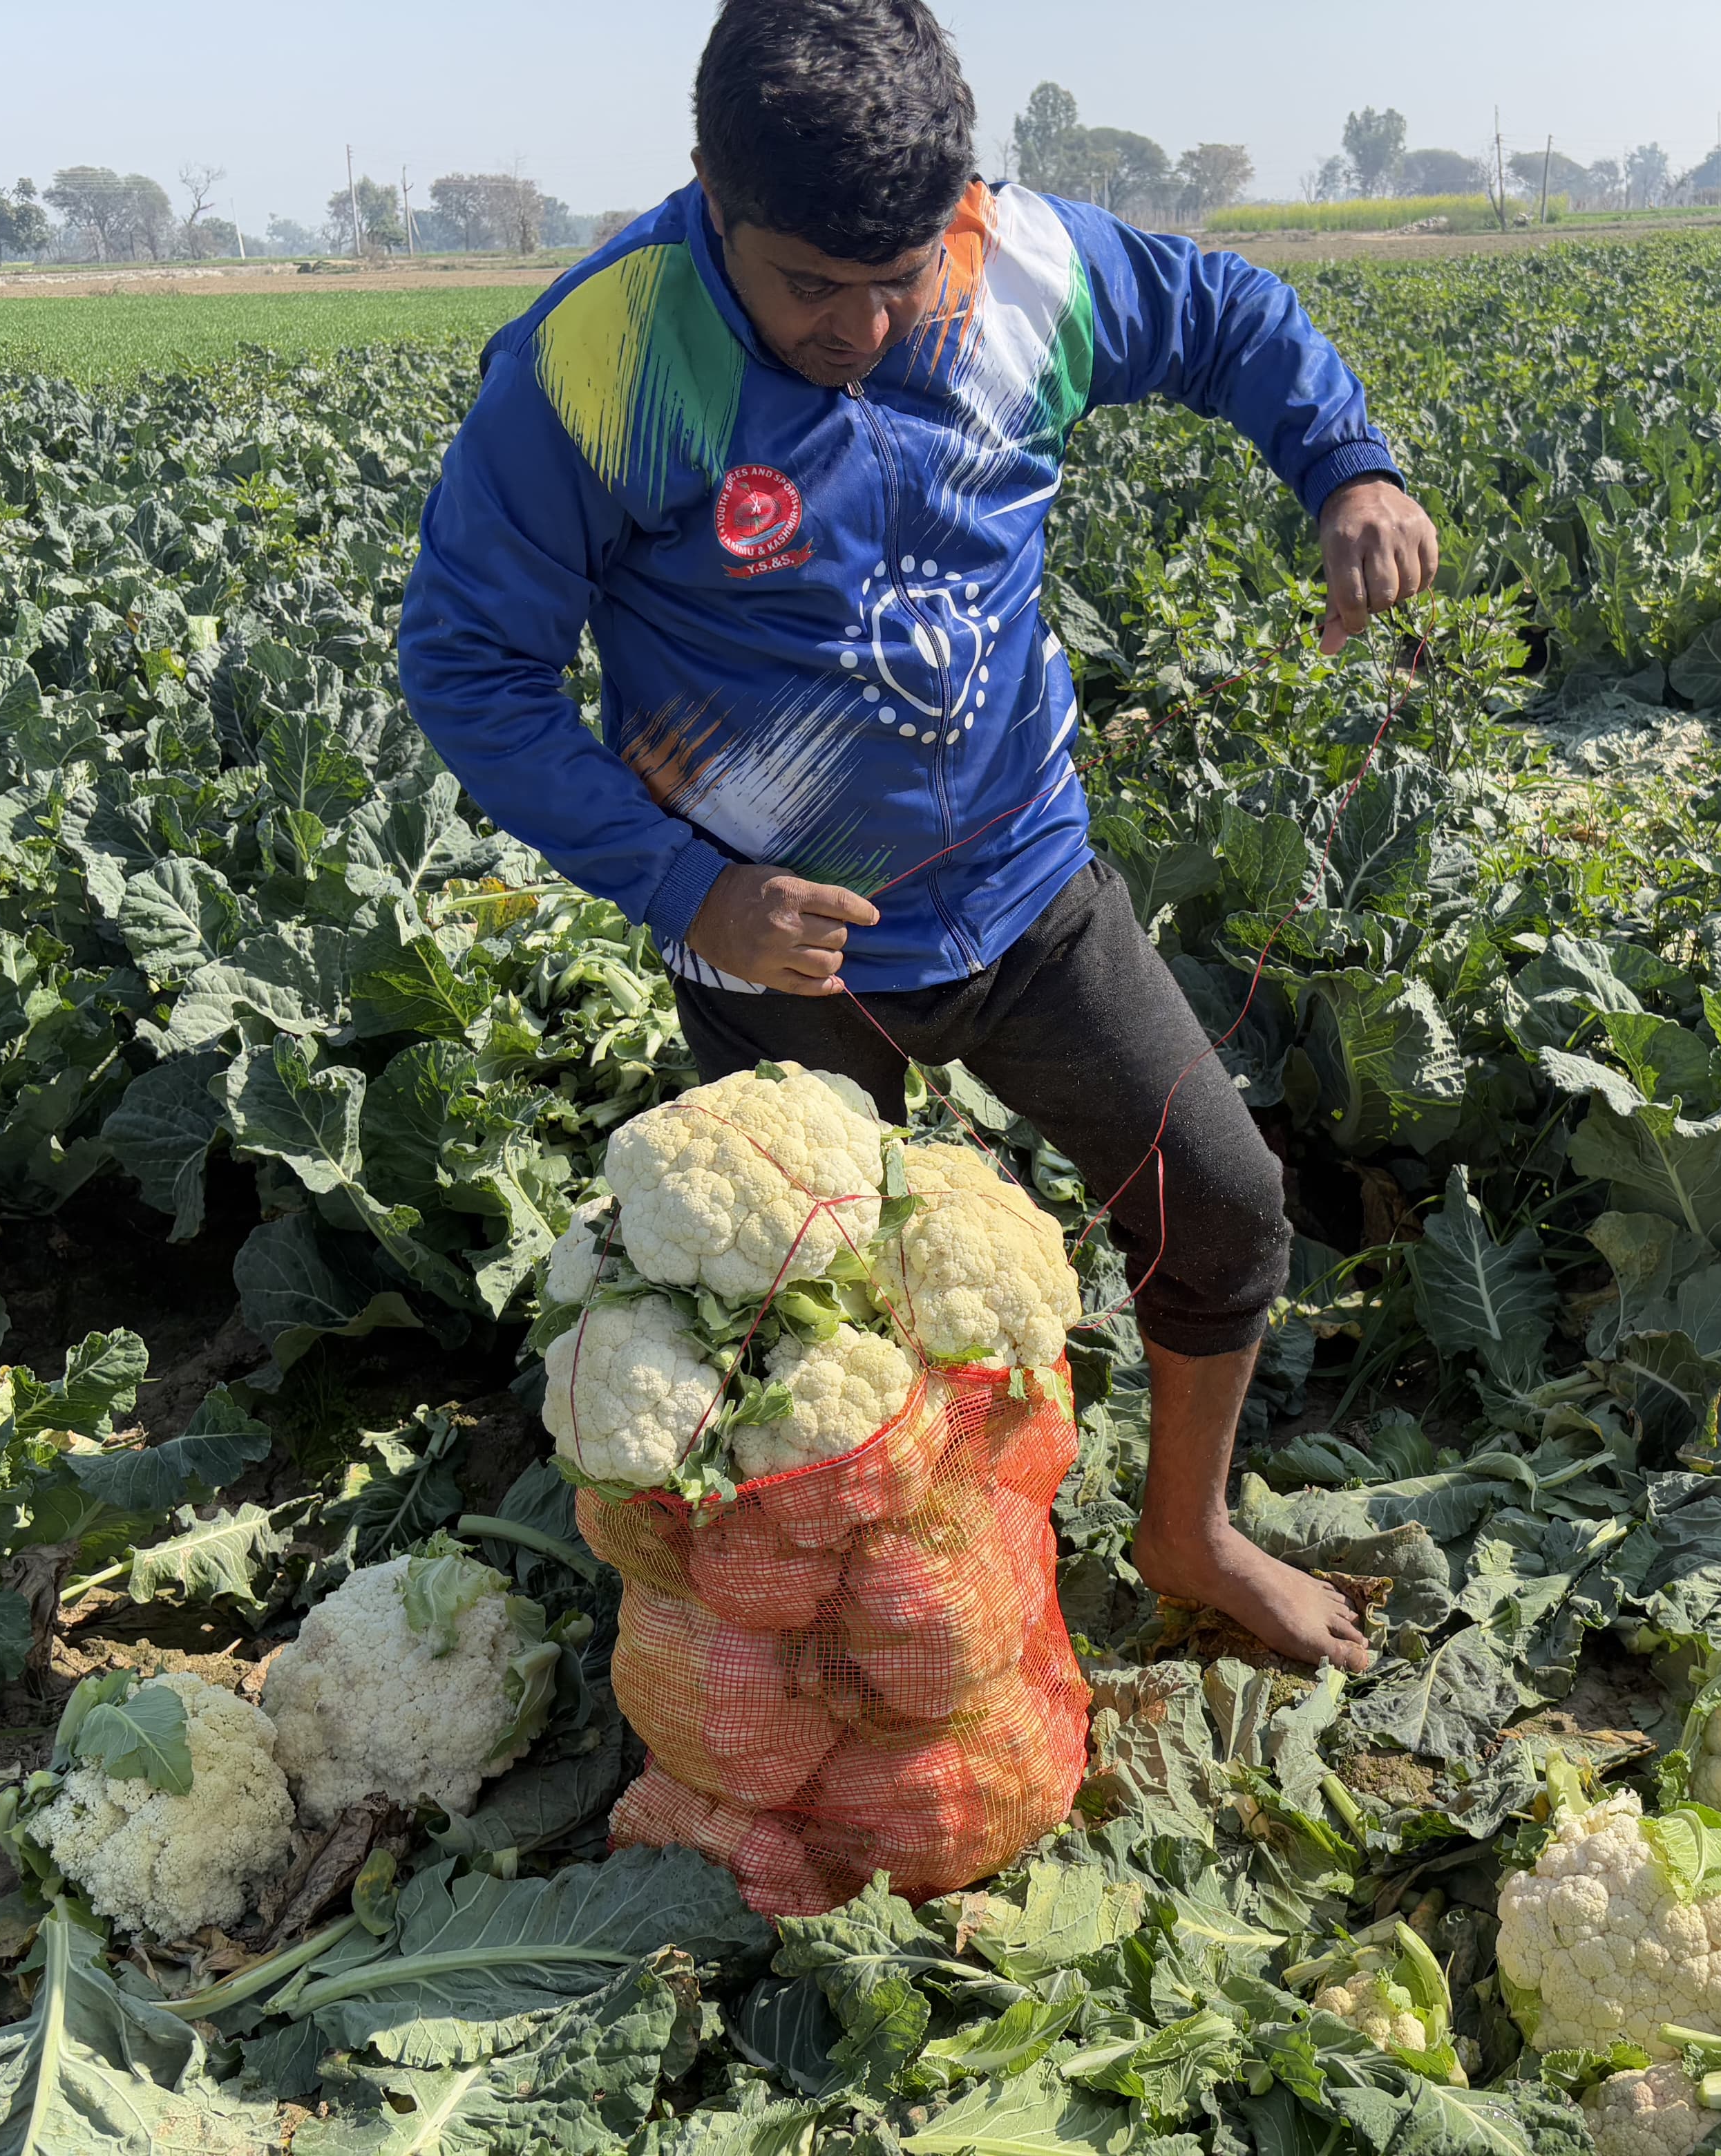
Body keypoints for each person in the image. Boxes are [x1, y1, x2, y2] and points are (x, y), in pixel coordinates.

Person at [398, 0, 1437, 1671]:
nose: (869, 323)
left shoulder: (1017, 266)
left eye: (904, 274)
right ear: (707, 193)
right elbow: (469, 666)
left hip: (1029, 890)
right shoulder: (598, 366)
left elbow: (1232, 315)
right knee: (786, 1343)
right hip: (782, 950)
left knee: (1228, 1205)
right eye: (814, 285)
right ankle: (824, 1641)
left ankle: (1187, 1530)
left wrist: (1347, 466)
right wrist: (688, 887)